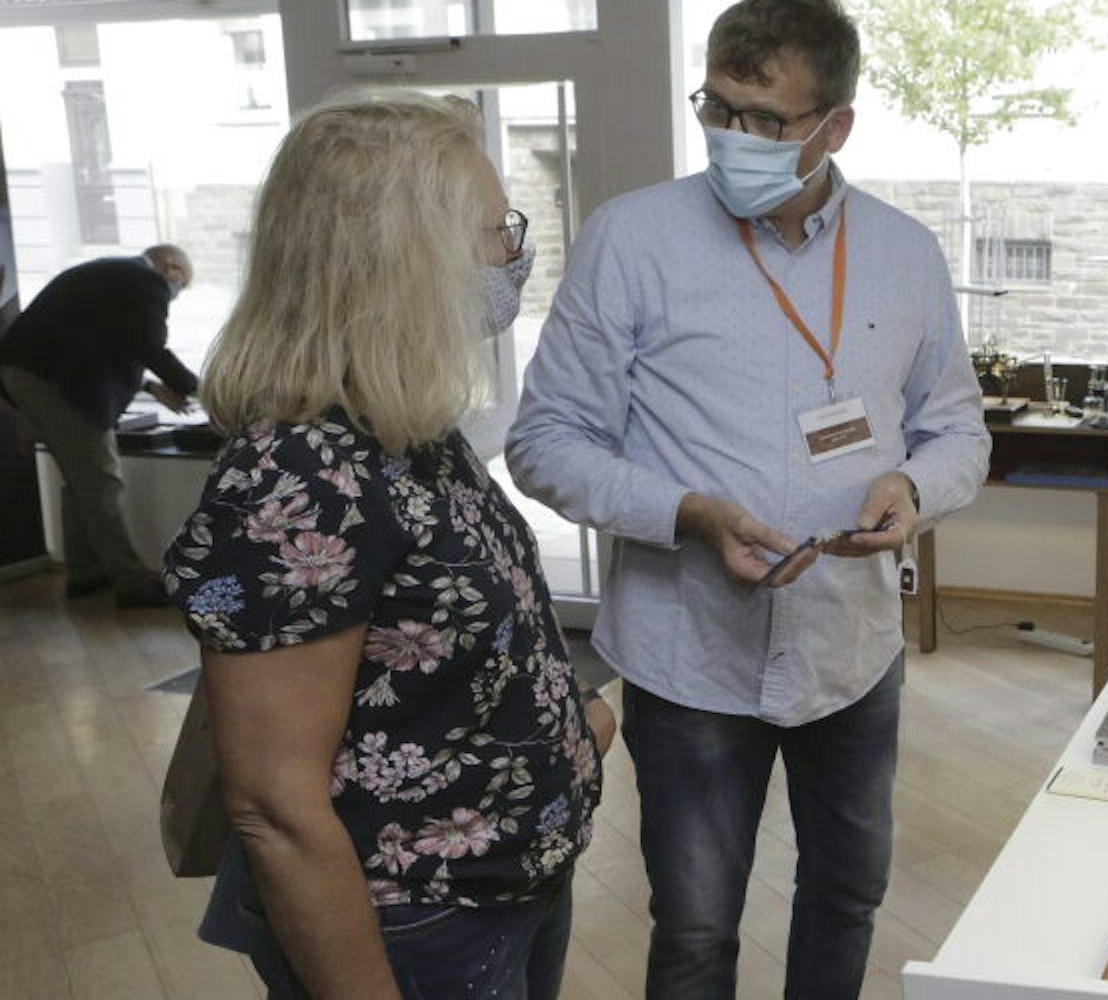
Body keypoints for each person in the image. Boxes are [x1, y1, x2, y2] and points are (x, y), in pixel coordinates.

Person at [505, 1, 990, 995]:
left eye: (766, 119)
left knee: (847, 895)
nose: (733, 136)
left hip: (851, 652)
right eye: (717, 107)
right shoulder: (631, 239)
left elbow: (958, 431)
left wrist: (912, 486)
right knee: (693, 928)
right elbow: (544, 443)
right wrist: (688, 512)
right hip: (690, 658)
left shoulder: (904, 253)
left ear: (834, 126)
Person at [161, 92, 607, 1000]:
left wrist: (570, 725)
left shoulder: (404, 425)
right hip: (417, 923)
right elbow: (276, 808)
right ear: (408, 258)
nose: (514, 254)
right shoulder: (300, 474)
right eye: (497, 230)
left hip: (508, 886)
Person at [0, 243, 198, 606]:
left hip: (29, 373)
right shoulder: (145, 281)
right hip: (57, 383)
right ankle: (132, 582)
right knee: (102, 479)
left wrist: (152, 387)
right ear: (171, 266)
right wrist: (200, 389)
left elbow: (108, 342)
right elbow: (150, 346)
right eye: (181, 285)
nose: (175, 293)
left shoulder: (112, 275)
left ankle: (87, 571)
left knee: (82, 481)